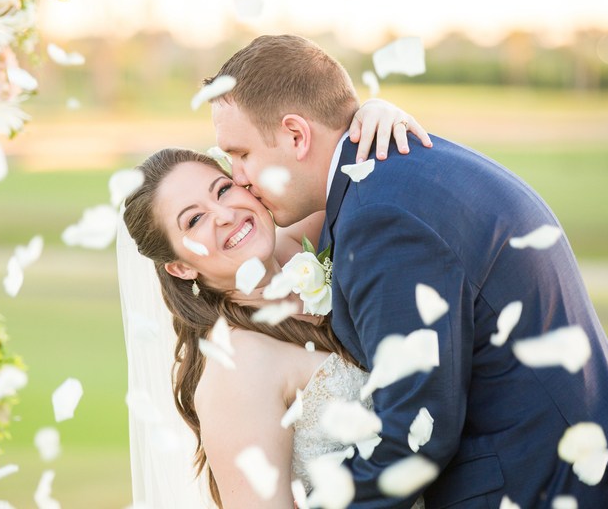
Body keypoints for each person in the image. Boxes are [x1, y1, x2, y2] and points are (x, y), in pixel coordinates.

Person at [203, 34, 608, 508]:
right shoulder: (400, 172)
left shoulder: (381, 218)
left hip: (541, 487)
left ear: (295, 133)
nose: (237, 178)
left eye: (240, 154)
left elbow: (417, 432)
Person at [119, 102, 431, 508]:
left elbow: (370, 176)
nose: (225, 214)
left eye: (223, 189)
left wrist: (378, 114)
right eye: (194, 220)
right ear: (179, 267)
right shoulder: (236, 371)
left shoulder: (317, 235)